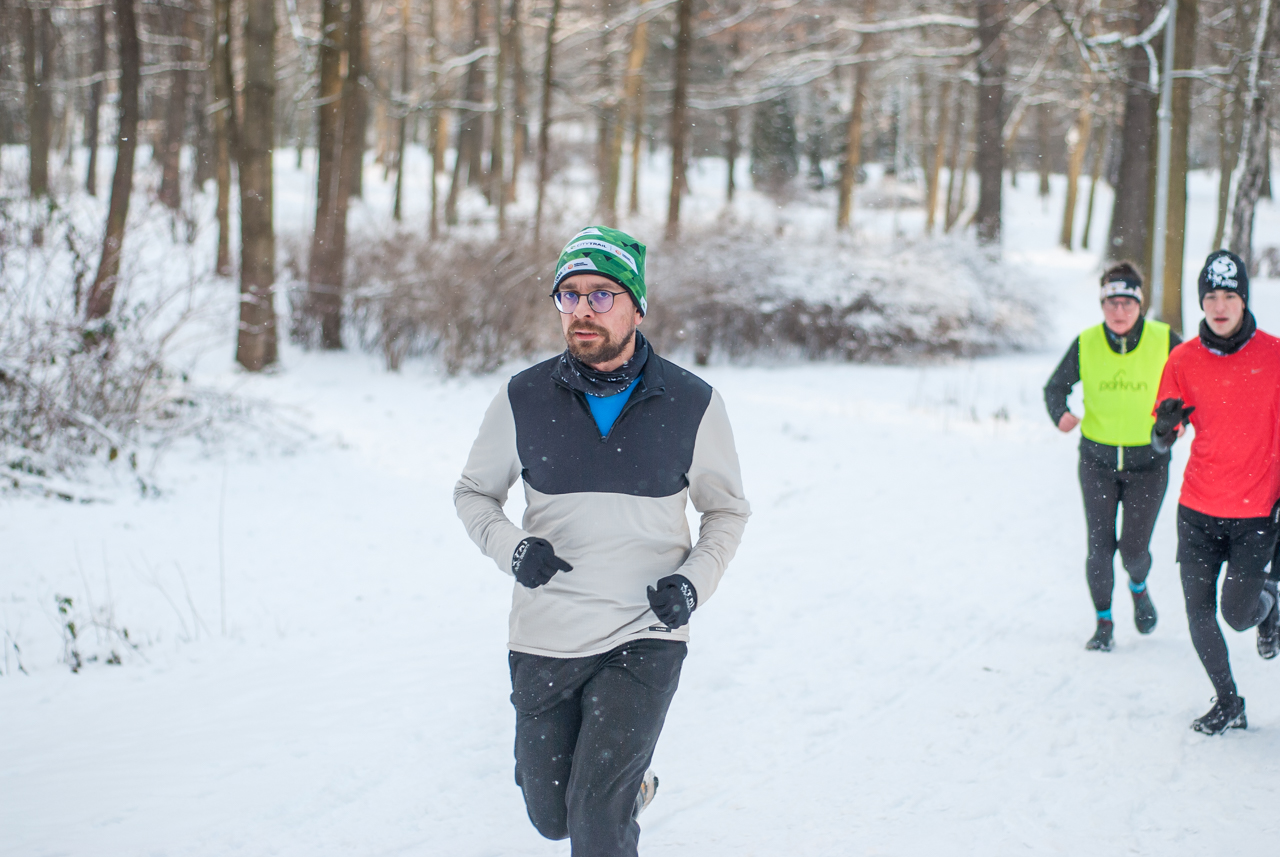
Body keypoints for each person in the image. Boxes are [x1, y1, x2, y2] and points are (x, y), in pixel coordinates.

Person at [453, 226, 750, 854]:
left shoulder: (693, 403)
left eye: (601, 295)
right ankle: (625, 790)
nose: (582, 310)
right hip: (545, 637)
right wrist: (513, 549)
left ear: (637, 306)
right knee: (551, 815)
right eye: (569, 295)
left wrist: (692, 585)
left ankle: (612, 800)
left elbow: (726, 512)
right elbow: (473, 494)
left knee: (593, 820)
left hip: (645, 633)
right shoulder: (522, 397)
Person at [1152, 250, 1280, 735]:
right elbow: (1164, 436)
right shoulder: (1182, 359)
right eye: (1210, 296)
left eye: (1229, 296)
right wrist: (1164, 429)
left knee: (1238, 615)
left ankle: (1269, 605)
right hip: (1198, 508)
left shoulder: (1275, 355)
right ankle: (1229, 701)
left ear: (1244, 299)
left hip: (1256, 513)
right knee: (1198, 612)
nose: (1219, 306)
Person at [1044, 262, 1181, 652]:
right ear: (1102, 303)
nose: (1119, 312)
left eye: (1127, 303)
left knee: (1134, 551)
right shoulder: (1086, 342)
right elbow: (1055, 389)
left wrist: (1180, 419)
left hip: (1148, 465)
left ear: (1140, 304)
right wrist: (1061, 415)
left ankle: (1138, 587)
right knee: (1099, 548)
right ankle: (1103, 623)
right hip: (1097, 463)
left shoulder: (1164, 339)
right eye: (1111, 303)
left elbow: (1193, 384)